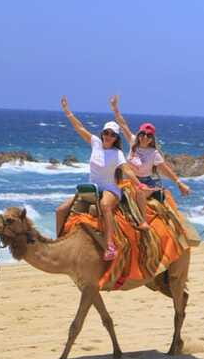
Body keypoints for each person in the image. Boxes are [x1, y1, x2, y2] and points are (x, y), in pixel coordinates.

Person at [56, 96, 147, 261]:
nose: (108, 136)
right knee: (61, 210)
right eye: (106, 133)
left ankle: (109, 245)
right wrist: (67, 111)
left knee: (105, 205)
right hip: (92, 188)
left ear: (116, 138)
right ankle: (59, 241)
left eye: (112, 135)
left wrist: (138, 184)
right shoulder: (96, 143)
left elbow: (126, 169)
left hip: (110, 189)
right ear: (102, 133)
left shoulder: (117, 153)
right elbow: (79, 128)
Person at [109, 95, 192, 208]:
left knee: (137, 195)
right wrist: (115, 107)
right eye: (143, 134)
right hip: (129, 179)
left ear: (152, 139)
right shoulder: (133, 141)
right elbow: (123, 124)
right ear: (139, 134)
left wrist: (179, 183)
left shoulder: (154, 154)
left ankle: (143, 222)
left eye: (149, 135)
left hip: (146, 182)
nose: (145, 137)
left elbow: (165, 169)